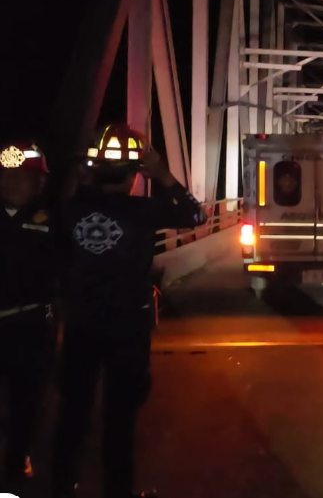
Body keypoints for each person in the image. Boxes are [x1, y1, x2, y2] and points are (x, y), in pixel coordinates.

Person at [51, 124, 207, 498]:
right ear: (136, 176)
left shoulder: (71, 209)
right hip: (128, 327)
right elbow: (197, 216)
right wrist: (165, 175)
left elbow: (55, 249)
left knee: (73, 412)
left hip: (82, 324)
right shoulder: (145, 211)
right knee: (119, 420)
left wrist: (81, 179)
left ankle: (61, 485)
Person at [0, 141, 57, 484]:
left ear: (40, 183)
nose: (11, 183)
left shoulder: (55, 219)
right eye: (5, 175)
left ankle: (16, 464)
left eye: (21, 177)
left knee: (28, 402)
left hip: (33, 327)